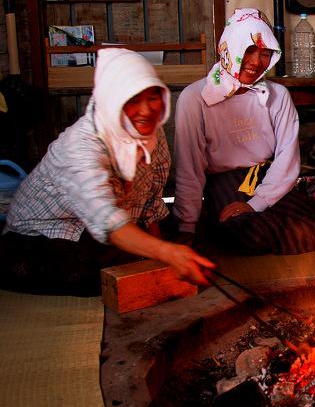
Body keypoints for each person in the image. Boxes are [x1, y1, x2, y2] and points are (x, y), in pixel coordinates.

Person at [0, 48, 213, 296]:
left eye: (153, 98)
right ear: (111, 100)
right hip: (41, 235)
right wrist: (164, 252)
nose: (146, 111)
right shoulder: (81, 145)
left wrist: (161, 250)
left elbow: (152, 198)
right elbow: (108, 221)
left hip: (101, 229)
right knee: (94, 272)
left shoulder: (149, 131)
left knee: (180, 250)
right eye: (132, 100)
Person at [173, 8, 315, 254]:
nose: (256, 62)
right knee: (246, 234)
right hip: (223, 183)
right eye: (248, 50)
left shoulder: (277, 95)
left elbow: (287, 158)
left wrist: (257, 204)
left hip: (268, 179)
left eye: (265, 54)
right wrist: (186, 225)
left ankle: (268, 231)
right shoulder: (195, 98)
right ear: (228, 48)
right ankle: (263, 233)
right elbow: (189, 168)